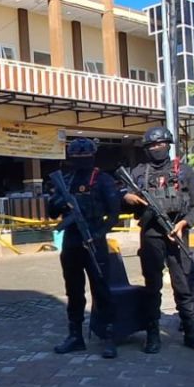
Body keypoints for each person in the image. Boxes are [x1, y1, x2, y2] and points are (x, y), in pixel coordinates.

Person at [122, 125, 194, 354]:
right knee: (152, 286)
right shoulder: (138, 172)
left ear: (169, 145)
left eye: (161, 144)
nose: (157, 148)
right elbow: (119, 196)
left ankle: (190, 333)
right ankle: (153, 335)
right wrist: (127, 197)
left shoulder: (184, 171)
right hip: (151, 234)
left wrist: (184, 224)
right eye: (152, 145)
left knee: (183, 286)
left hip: (177, 232)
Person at [46, 137, 122, 358]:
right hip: (71, 242)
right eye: (76, 157)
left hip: (94, 241)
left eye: (84, 157)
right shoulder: (64, 180)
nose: (81, 161)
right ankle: (75, 336)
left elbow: (114, 213)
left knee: (102, 290)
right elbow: (52, 212)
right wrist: (61, 201)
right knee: (74, 291)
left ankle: (109, 337)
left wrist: (99, 233)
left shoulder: (103, 180)